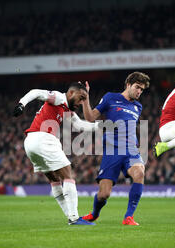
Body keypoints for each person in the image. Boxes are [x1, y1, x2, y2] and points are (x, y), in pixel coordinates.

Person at [13, 82, 98, 225]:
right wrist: (22, 103)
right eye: (81, 98)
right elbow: (36, 91)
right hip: (44, 138)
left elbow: (79, 125)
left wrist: (103, 126)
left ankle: (71, 216)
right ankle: (74, 218)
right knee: (67, 174)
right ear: (71, 93)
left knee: (54, 179)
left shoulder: (66, 109)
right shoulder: (59, 97)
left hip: (30, 142)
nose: (81, 102)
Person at [80, 72, 150, 225]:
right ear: (128, 85)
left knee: (139, 172)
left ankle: (128, 217)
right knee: (104, 194)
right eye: (137, 87)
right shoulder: (110, 98)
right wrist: (85, 100)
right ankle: (94, 214)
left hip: (131, 149)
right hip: (112, 150)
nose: (139, 91)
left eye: (142, 89)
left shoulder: (138, 106)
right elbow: (91, 117)